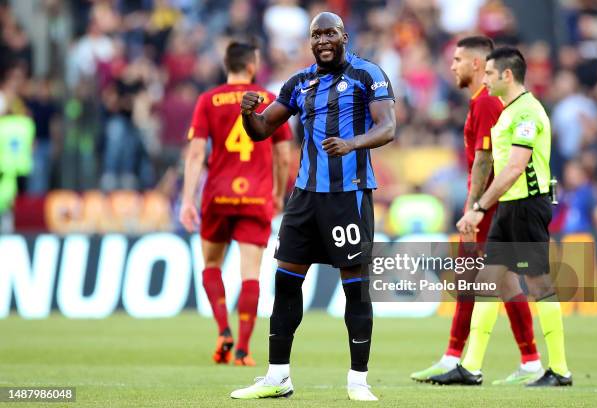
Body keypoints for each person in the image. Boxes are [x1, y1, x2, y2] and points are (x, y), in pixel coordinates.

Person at [230, 12, 396, 401]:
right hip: (304, 198)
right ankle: (277, 377)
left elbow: (388, 126)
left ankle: (358, 381)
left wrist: (352, 144)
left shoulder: (367, 74)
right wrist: (247, 113)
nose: (322, 40)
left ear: (344, 36)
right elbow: (261, 131)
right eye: (316, 34)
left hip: (348, 196)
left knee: (354, 288)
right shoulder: (298, 82)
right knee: (286, 282)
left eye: (330, 33)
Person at [412, 37, 543, 385]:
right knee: (498, 282)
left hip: (490, 207)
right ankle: (528, 359)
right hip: (491, 206)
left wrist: (475, 209)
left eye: (457, 60)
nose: (451, 66)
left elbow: (486, 163)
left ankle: (460, 359)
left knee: (475, 278)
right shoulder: (479, 102)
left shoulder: (486, 104)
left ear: (475, 64)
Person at [449, 47, 572, 387]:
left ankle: (559, 369)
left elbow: (516, 168)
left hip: (527, 205)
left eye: (489, 74)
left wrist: (478, 207)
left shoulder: (528, 113)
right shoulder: (508, 111)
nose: (484, 79)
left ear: (506, 75)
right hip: (509, 207)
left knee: (539, 284)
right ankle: (470, 367)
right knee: (489, 280)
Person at [180, 41, 292, 367]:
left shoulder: (208, 100)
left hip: (217, 195)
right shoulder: (268, 99)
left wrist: (188, 198)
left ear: (225, 64)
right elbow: (283, 154)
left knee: (211, 265)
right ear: (252, 66)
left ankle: (223, 331)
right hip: (256, 196)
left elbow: (197, 153)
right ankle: (243, 350)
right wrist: (278, 193)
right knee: (251, 276)